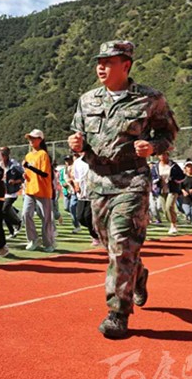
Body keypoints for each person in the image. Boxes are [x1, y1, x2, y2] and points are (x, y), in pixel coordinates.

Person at [69, 40, 178, 339]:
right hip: (98, 183)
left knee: (120, 246)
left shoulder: (150, 99)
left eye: (108, 62)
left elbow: (169, 134)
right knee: (114, 248)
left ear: (126, 65)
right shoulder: (87, 100)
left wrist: (152, 146)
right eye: (99, 62)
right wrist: (76, 143)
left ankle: (118, 313)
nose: (101, 67)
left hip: (131, 181)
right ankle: (138, 273)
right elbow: (78, 134)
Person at [22, 129, 55, 252]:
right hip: (30, 190)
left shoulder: (43, 154)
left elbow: (45, 174)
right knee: (26, 214)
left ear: (40, 140)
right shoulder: (28, 155)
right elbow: (29, 172)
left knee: (45, 218)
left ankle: (48, 243)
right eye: (30, 138)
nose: (31, 140)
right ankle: (33, 239)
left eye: (33, 138)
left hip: (43, 190)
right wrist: (25, 175)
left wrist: (29, 166)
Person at [71, 152, 100, 246]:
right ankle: (97, 231)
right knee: (80, 217)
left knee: (88, 216)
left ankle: (95, 236)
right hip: (82, 194)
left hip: (93, 193)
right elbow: (76, 177)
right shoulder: (77, 162)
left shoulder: (95, 160)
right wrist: (76, 185)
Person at [153, 153, 184, 235]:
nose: (162, 156)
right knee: (164, 209)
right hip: (161, 190)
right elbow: (152, 176)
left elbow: (182, 176)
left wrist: (175, 180)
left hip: (172, 189)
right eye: (160, 155)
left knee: (169, 206)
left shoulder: (174, 165)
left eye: (164, 154)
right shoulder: (156, 166)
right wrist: (156, 180)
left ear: (168, 155)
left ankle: (173, 225)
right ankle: (172, 221)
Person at [1, 147, 24, 239]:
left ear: (6, 156)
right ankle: (12, 231)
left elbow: (23, 177)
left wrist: (15, 181)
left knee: (4, 210)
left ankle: (18, 222)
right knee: (3, 212)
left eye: (1, 156)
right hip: (1, 192)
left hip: (11, 192)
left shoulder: (14, 165)